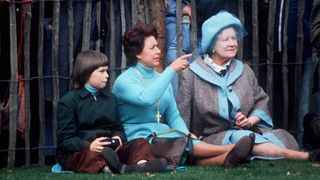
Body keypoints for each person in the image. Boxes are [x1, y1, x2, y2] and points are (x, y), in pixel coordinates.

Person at [177, 11, 320, 161]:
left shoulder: (244, 70)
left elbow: (261, 99)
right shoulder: (192, 75)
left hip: (250, 131)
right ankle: (305, 156)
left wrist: (249, 120)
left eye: (234, 38)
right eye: (226, 39)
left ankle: (253, 152)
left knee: (284, 137)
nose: (232, 43)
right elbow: (182, 115)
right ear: (212, 44)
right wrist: (188, 145)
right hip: (213, 139)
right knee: (244, 137)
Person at [112, 22, 255, 168]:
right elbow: (147, 98)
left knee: (186, 144)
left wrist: (185, 133)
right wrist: (171, 70)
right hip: (138, 141)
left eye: (157, 46)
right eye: (152, 47)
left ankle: (228, 158)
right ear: (137, 53)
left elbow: (173, 115)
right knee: (185, 145)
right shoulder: (124, 81)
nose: (158, 51)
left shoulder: (160, 78)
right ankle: (231, 149)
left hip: (164, 136)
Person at [56, 50, 167, 174]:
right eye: (102, 71)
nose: (107, 75)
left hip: (111, 151)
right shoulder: (68, 101)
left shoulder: (111, 99)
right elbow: (65, 139)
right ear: (87, 72)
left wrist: (118, 138)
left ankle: (141, 165)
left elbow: (117, 127)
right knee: (90, 157)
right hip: (84, 151)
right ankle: (113, 168)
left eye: (107, 71)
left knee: (140, 143)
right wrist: (88, 145)